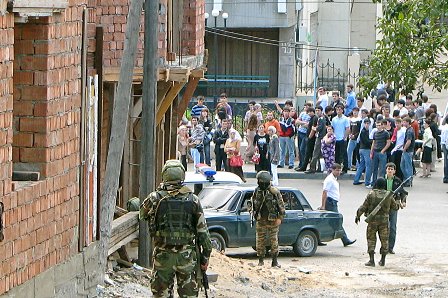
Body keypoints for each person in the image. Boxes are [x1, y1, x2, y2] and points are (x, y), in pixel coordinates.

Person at [140, 160, 212, 297]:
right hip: (186, 257)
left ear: (164, 175)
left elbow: (141, 214)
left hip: (163, 256)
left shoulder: (155, 198)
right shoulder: (193, 200)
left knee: (161, 295)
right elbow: (203, 234)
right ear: (182, 176)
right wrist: (205, 258)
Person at [355, 177, 399, 267]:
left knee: (371, 239)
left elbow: (363, 207)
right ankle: (382, 260)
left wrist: (358, 215)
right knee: (384, 240)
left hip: (372, 221)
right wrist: (397, 199)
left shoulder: (371, 194)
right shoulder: (388, 195)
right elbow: (395, 207)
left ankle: (371, 260)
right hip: (384, 221)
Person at [249, 171, 285, 268]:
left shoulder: (274, 192)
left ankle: (274, 261)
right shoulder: (257, 191)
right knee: (260, 241)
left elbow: (281, 207)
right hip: (261, 220)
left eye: (260, 181)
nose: (259, 183)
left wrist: (280, 218)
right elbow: (251, 202)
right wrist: (251, 211)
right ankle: (261, 260)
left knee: (274, 242)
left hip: (272, 221)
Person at [319, 163, 356, 247]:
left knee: (326, 221)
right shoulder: (329, 180)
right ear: (332, 170)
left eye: (340, 170)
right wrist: (323, 206)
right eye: (337, 170)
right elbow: (325, 192)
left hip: (333, 202)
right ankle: (345, 239)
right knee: (337, 221)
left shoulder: (334, 179)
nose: (339, 172)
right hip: (330, 203)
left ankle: (318, 239)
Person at [384, 163, 408, 254]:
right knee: (384, 228)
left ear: (394, 171)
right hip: (383, 207)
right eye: (388, 169)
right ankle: (384, 247)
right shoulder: (381, 180)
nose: (390, 171)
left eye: (391, 169)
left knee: (392, 227)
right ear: (386, 170)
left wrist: (403, 201)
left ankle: (390, 247)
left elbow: (403, 193)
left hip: (394, 206)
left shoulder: (398, 181)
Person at [370, 119, 391, 184]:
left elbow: (388, 143)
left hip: (382, 152)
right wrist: (371, 152)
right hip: (375, 152)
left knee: (382, 169)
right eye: (377, 125)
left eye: (379, 125)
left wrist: (383, 150)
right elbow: (373, 143)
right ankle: (374, 183)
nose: (378, 127)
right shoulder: (375, 133)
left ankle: (381, 183)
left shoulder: (385, 133)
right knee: (374, 169)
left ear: (382, 126)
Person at [353, 118, 373, 187]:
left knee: (361, 165)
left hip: (362, 149)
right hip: (366, 149)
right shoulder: (364, 131)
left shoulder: (365, 131)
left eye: (368, 123)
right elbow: (366, 141)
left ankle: (356, 179)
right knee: (368, 166)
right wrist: (372, 141)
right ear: (364, 124)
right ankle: (367, 182)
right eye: (366, 123)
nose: (367, 125)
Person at [331, 105, 350, 173]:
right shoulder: (334, 119)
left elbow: (347, 129)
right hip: (336, 139)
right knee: (337, 155)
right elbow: (332, 128)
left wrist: (345, 137)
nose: (338, 111)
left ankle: (345, 168)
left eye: (340, 109)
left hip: (342, 138)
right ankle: (337, 168)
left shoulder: (345, 119)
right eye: (337, 109)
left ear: (342, 110)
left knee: (344, 154)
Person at [401, 117, 415, 186]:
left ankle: (408, 180)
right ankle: (407, 179)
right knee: (403, 165)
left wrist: (404, 149)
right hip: (408, 151)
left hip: (408, 151)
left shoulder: (409, 131)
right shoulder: (409, 129)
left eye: (404, 122)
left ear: (407, 122)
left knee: (407, 166)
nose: (403, 123)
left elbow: (409, 141)